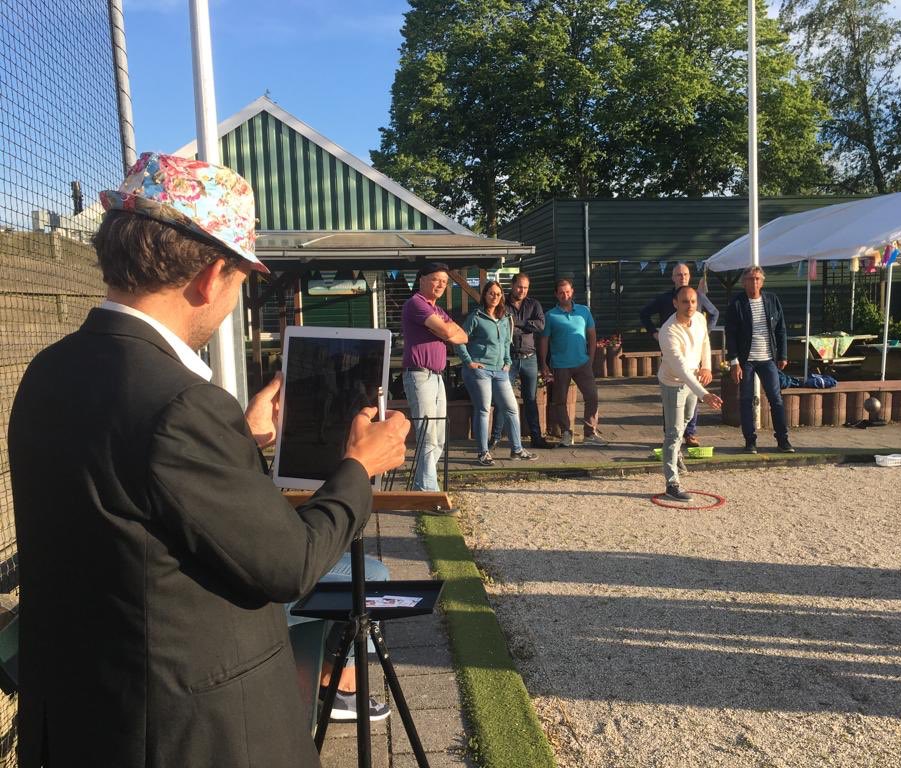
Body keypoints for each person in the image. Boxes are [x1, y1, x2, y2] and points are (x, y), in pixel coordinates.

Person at [8, 152, 411, 768]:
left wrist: (240, 442)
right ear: (210, 275)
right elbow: (288, 564)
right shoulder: (182, 403)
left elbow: (131, 493)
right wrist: (359, 465)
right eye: (241, 279)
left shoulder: (50, 369)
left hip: (82, 717)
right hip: (182, 733)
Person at [401, 262, 468, 490]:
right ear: (422, 279)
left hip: (437, 377)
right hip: (420, 376)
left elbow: (463, 336)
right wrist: (445, 330)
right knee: (427, 434)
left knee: (438, 436)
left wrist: (444, 329)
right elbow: (450, 332)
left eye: (445, 282)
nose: (441, 285)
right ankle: (429, 490)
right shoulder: (416, 304)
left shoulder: (437, 310)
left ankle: (422, 485)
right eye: (436, 279)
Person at [456, 280, 538, 465]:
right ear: (484, 295)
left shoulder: (505, 318)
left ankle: (516, 449)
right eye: (491, 293)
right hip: (480, 371)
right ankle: (483, 452)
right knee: (484, 409)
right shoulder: (475, 317)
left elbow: (507, 343)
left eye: (498, 294)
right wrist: (469, 362)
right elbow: (458, 340)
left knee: (511, 408)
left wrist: (507, 361)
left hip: (500, 370)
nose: (495, 297)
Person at [640, 261, 720, 447]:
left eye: (685, 274)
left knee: (691, 399)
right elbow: (644, 313)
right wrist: (654, 332)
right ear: (673, 278)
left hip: (693, 354)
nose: (682, 277)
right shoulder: (665, 299)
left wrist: (704, 335)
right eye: (678, 275)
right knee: (673, 403)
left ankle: (689, 433)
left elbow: (714, 313)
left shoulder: (697, 297)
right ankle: (671, 435)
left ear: (689, 277)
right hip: (673, 354)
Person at [658, 286, 723, 499]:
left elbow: (705, 341)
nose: (690, 306)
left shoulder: (700, 319)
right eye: (685, 302)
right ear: (675, 303)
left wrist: (707, 367)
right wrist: (705, 394)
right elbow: (681, 369)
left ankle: (675, 453)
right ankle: (671, 483)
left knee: (686, 421)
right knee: (674, 431)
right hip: (673, 382)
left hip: (693, 380)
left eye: (693, 301)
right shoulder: (668, 331)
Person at [725, 266, 795, 454]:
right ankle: (750, 441)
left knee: (776, 398)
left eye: (757, 278)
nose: (753, 282)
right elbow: (730, 334)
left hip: (768, 358)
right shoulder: (737, 303)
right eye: (749, 279)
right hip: (745, 359)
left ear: (762, 281)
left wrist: (783, 355)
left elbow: (781, 329)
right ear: (743, 282)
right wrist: (734, 361)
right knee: (746, 400)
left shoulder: (772, 300)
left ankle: (783, 439)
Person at [538, 277, 605, 447]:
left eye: (567, 291)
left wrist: (590, 358)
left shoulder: (584, 311)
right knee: (560, 401)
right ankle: (567, 433)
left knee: (592, 397)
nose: (564, 295)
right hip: (560, 365)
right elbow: (544, 340)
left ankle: (590, 433)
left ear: (572, 291)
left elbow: (592, 335)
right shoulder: (550, 315)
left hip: (582, 363)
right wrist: (544, 364)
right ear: (556, 294)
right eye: (561, 292)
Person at [489, 272, 551, 450]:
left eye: (525, 288)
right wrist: (522, 325)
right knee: (502, 399)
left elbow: (540, 325)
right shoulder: (502, 303)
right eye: (519, 287)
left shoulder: (534, 304)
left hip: (530, 358)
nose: (522, 290)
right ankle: (495, 438)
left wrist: (517, 323)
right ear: (512, 285)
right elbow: (503, 327)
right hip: (508, 359)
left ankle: (536, 437)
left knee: (531, 399)